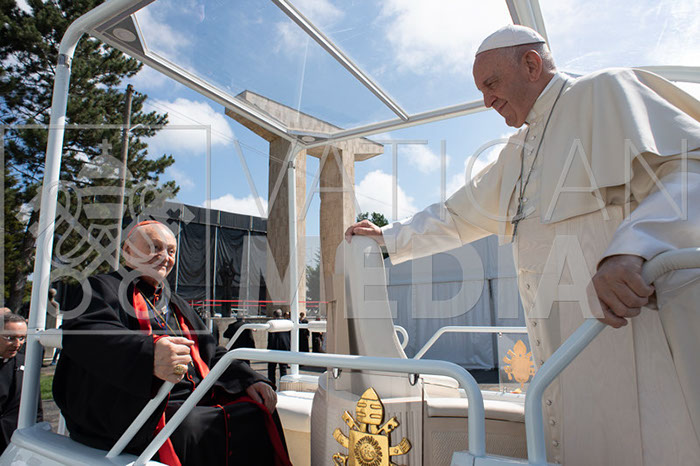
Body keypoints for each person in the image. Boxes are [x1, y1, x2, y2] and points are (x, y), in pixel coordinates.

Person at [345, 25, 700, 465]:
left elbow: (690, 172)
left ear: (531, 64)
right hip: (567, 365)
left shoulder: (604, 90)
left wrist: (632, 248)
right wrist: (388, 237)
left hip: (636, 347)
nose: (486, 101)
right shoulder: (516, 152)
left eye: (491, 84)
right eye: (480, 91)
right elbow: (457, 216)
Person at [53, 220, 291, 466]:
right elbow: (88, 335)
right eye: (154, 247)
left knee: (258, 409)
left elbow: (210, 352)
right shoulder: (99, 288)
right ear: (128, 251)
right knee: (191, 426)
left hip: (191, 401)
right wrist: (149, 354)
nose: (165, 257)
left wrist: (248, 379)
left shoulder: (176, 303)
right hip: (135, 407)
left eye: (171, 251)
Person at [0, 312, 42, 454]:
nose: (17, 344)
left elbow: (36, 409)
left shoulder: (27, 363)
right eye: (10, 338)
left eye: (22, 338)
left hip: (15, 445)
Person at [266, 309, 290, 386]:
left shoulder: (272, 323)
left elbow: (271, 338)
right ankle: (284, 386)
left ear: (274, 315)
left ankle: (272, 386)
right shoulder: (286, 323)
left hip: (273, 348)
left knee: (271, 369)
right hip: (284, 348)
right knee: (283, 369)